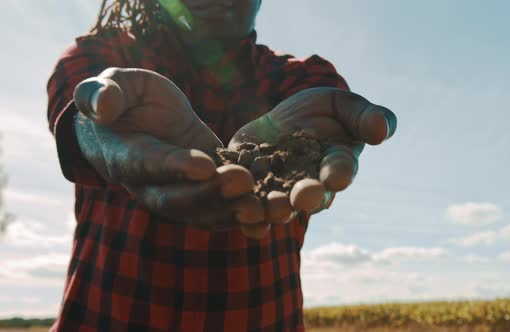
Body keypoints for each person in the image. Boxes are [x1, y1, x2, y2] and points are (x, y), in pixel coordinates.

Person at [46, 0, 396, 330]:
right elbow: (82, 110)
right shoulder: (103, 55)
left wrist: (324, 132)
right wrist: (94, 124)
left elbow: (327, 105)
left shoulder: (301, 78)